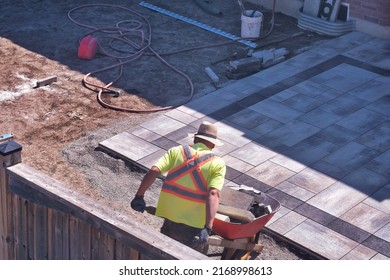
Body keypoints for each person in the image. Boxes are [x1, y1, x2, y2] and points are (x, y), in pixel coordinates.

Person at [130, 121, 226, 254]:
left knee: (163, 254)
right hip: (194, 226)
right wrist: (208, 227)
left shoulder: (176, 151)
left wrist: (139, 196)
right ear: (213, 144)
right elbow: (214, 193)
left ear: (196, 138)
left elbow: (154, 170)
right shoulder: (217, 163)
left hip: (169, 217)